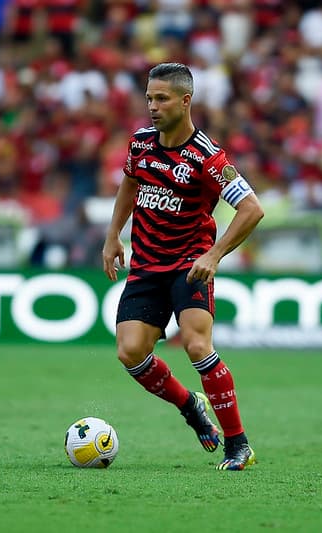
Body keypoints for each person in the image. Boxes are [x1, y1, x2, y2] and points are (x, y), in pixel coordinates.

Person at [101, 63, 264, 471]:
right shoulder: (140, 144)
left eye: (161, 99)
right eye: (149, 99)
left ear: (185, 101)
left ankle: (238, 444)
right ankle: (190, 405)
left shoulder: (208, 158)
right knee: (130, 352)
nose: (152, 107)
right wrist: (112, 235)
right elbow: (130, 182)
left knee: (196, 345)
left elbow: (251, 209)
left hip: (188, 266)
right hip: (145, 266)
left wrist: (213, 255)